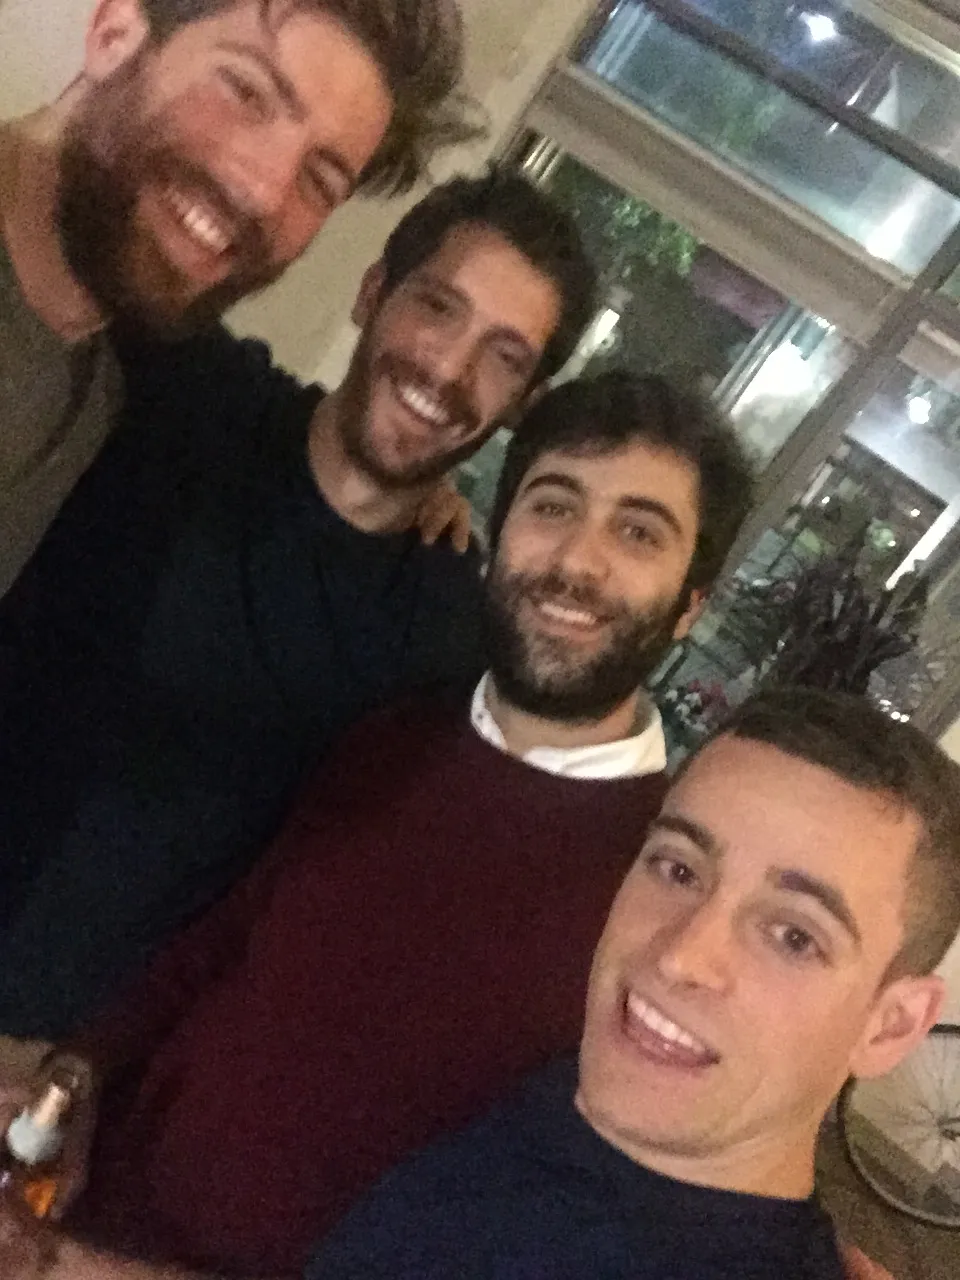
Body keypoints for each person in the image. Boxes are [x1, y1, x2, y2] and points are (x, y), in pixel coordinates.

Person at [1, 371, 754, 1278]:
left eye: (638, 532)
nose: (577, 562)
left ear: (691, 603)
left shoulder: (661, 899)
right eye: (554, 506)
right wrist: (83, 1071)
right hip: (69, 1215)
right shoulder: (396, 732)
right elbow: (227, 938)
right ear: (500, 532)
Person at [0, 167, 596, 1039]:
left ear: (524, 404)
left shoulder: (447, 646)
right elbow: (48, 213)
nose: (449, 369)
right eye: (437, 307)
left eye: (504, 356)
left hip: (51, 1065)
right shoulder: (186, 393)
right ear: (373, 293)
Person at [301, 687, 960, 1279]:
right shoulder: (546, 1073)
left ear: (890, 1026)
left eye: (794, 936)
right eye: (679, 870)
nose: (681, 957)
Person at [0, 0, 475, 597]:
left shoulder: (123, 373)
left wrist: (400, 493)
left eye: (319, 179)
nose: (264, 193)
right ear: (114, 34)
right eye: (246, 92)